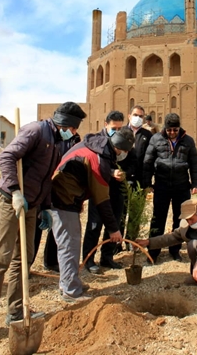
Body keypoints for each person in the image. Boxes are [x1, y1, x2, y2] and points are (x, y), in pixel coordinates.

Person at [0, 102, 86, 348]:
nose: (74, 133)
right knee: (1, 259)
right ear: (65, 124)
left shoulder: (57, 143)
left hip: (32, 205)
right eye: (73, 128)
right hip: (10, 202)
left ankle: (15, 310)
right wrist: (14, 191)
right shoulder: (35, 131)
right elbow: (7, 156)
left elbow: (46, 179)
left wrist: (44, 206)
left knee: (22, 259)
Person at [50, 127, 135, 302]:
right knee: (69, 245)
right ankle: (70, 291)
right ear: (120, 148)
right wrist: (113, 229)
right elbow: (102, 200)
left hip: (67, 196)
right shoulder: (99, 159)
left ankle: (68, 282)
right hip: (62, 198)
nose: (125, 154)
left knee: (70, 243)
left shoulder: (96, 144)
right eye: (125, 151)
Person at [82, 111, 137, 273]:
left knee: (115, 223)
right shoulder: (97, 141)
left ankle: (107, 258)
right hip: (99, 189)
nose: (117, 132)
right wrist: (111, 172)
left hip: (118, 190)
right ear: (106, 125)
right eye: (114, 128)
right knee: (95, 224)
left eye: (120, 128)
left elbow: (134, 162)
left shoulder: (124, 141)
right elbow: (95, 164)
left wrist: (125, 174)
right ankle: (89, 259)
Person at [143, 113, 197, 263]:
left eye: (175, 130)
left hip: (181, 186)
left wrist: (195, 183)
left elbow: (194, 163)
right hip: (161, 185)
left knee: (179, 220)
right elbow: (148, 163)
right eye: (169, 130)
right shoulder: (155, 139)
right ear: (165, 128)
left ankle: (175, 250)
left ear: (179, 128)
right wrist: (147, 183)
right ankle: (153, 252)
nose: (172, 133)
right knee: (158, 219)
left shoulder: (188, 141)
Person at [33, 131, 83, 272]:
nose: (72, 131)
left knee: (56, 226)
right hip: (42, 186)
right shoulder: (48, 137)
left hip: (59, 188)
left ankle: (51, 261)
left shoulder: (75, 139)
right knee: (36, 228)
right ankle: (27, 264)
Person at [118, 105, 152, 247]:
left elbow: (150, 160)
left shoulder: (147, 135)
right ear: (129, 115)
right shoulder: (121, 132)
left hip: (140, 181)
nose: (138, 118)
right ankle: (117, 244)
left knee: (135, 213)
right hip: (121, 180)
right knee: (120, 213)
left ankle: (130, 242)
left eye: (141, 116)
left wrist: (148, 182)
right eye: (135, 115)